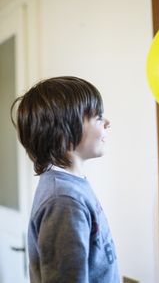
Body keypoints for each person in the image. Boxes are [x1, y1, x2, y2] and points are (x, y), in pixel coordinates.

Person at [11, 76, 120, 283]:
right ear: (64, 132)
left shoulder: (71, 187)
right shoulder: (62, 200)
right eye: (98, 117)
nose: (107, 122)